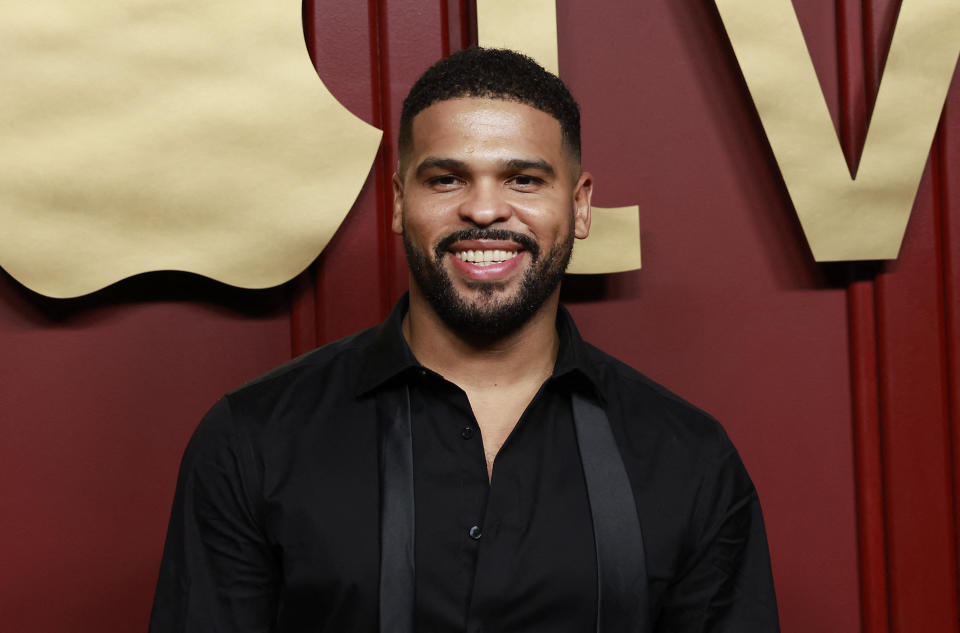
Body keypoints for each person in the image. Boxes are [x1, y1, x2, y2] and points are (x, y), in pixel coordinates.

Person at [149, 47, 780, 633]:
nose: (483, 210)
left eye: (524, 180)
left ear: (581, 205)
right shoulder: (251, 442)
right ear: (399, 202)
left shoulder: (689, 460)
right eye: (447, 179)